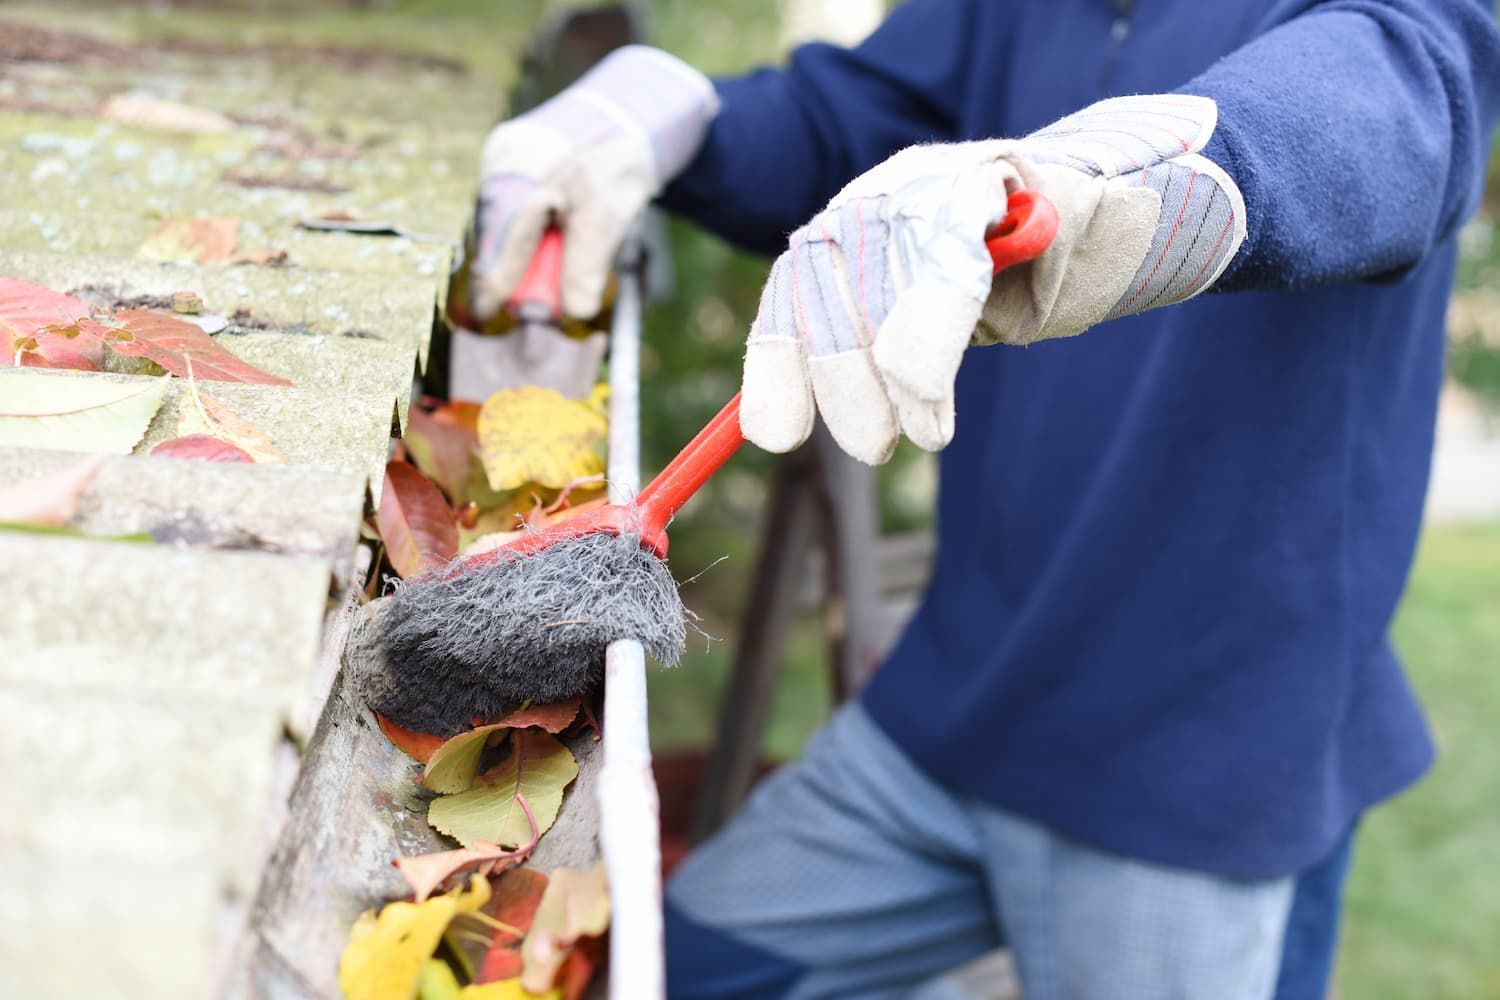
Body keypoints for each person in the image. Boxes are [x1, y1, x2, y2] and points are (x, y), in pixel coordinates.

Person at [471, 1, 1500, 997]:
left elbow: (1383, 106)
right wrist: (665, 115)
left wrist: (1095, 176)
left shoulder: (1395, 28)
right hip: (948, 720)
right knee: (670, 971)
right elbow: (839, 122)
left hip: (1193, 780)